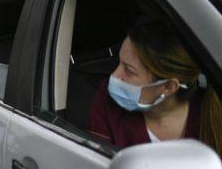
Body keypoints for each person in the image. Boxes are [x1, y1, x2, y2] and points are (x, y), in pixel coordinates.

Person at [88, 20, 222, 156]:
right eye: (119, 63)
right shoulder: (109, 102)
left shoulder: (209, 115)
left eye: (128, 70)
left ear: (168, 87)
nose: (115, 75)